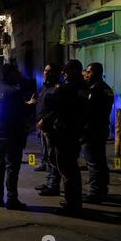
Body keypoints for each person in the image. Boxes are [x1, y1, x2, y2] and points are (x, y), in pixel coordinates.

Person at [38, 59, 89, 216]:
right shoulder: (80, 87)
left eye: (66, 70)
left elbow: (59, 106)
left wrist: (45, 120)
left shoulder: (71, 88)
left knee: (68, 170)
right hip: (71, 132)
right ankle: (72, 201)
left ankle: (72, 206)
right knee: (68, 168)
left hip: (66, 133)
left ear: (73, 71)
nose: (63, 73)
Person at [0, 64, 28, 210]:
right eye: (17, 72)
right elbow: (20, 114)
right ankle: (12, 199)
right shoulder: (13, 92)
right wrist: (29, 105)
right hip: (12, 135)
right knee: (12, 167)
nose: (19, 74)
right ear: (11, 74)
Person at [81, 62, 114, 204]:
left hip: (92, 130)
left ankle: (95, 193)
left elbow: (88, 112)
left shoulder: (94, 90)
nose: (86, 75)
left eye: (88, 72)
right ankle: (102, 190)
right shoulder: (107, 88)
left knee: (93, 162)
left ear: (96, 72)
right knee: (100, 161)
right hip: (101, 128)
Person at [35, 64, 62, 196]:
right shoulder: (45, 88)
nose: (46, 73)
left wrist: (44, 120)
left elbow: (56, 110)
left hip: (52, 129)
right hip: (43, 129)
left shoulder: (57, 89)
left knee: (53, 157)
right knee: (47, 157)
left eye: (49, 71)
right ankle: (49, 181)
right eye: (45, 70)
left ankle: (53, 185)